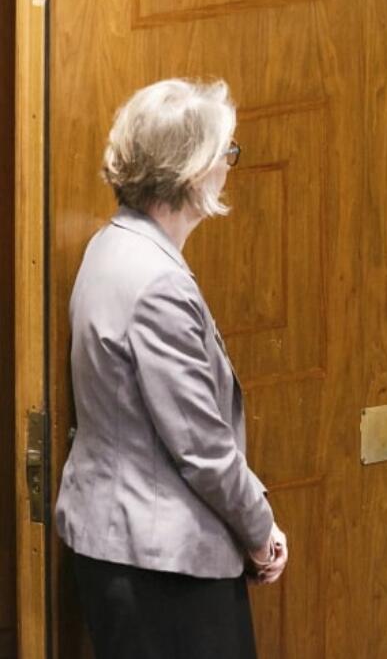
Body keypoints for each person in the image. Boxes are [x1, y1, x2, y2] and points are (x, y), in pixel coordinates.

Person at [55, 78, 288, 659]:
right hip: (162, 566)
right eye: (224, 154)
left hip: (122, 549)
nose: (227, 168)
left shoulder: (110, 246)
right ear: (191, 171)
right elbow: (202, 448)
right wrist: (261, 533)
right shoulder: (157, 281)